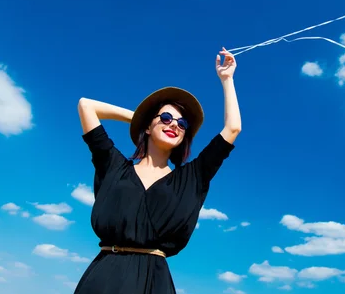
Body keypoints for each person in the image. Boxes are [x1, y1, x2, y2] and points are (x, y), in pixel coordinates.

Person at [73, 48, 241, 294]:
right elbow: (86, 106)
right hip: (103, 278)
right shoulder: (114, 166)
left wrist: (227, 79)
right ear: (148, 128)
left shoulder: (192, 178)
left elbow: (233, 128)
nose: (174, 124)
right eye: (165, 117)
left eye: (182, 124)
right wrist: (140, 119)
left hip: (154, 283)